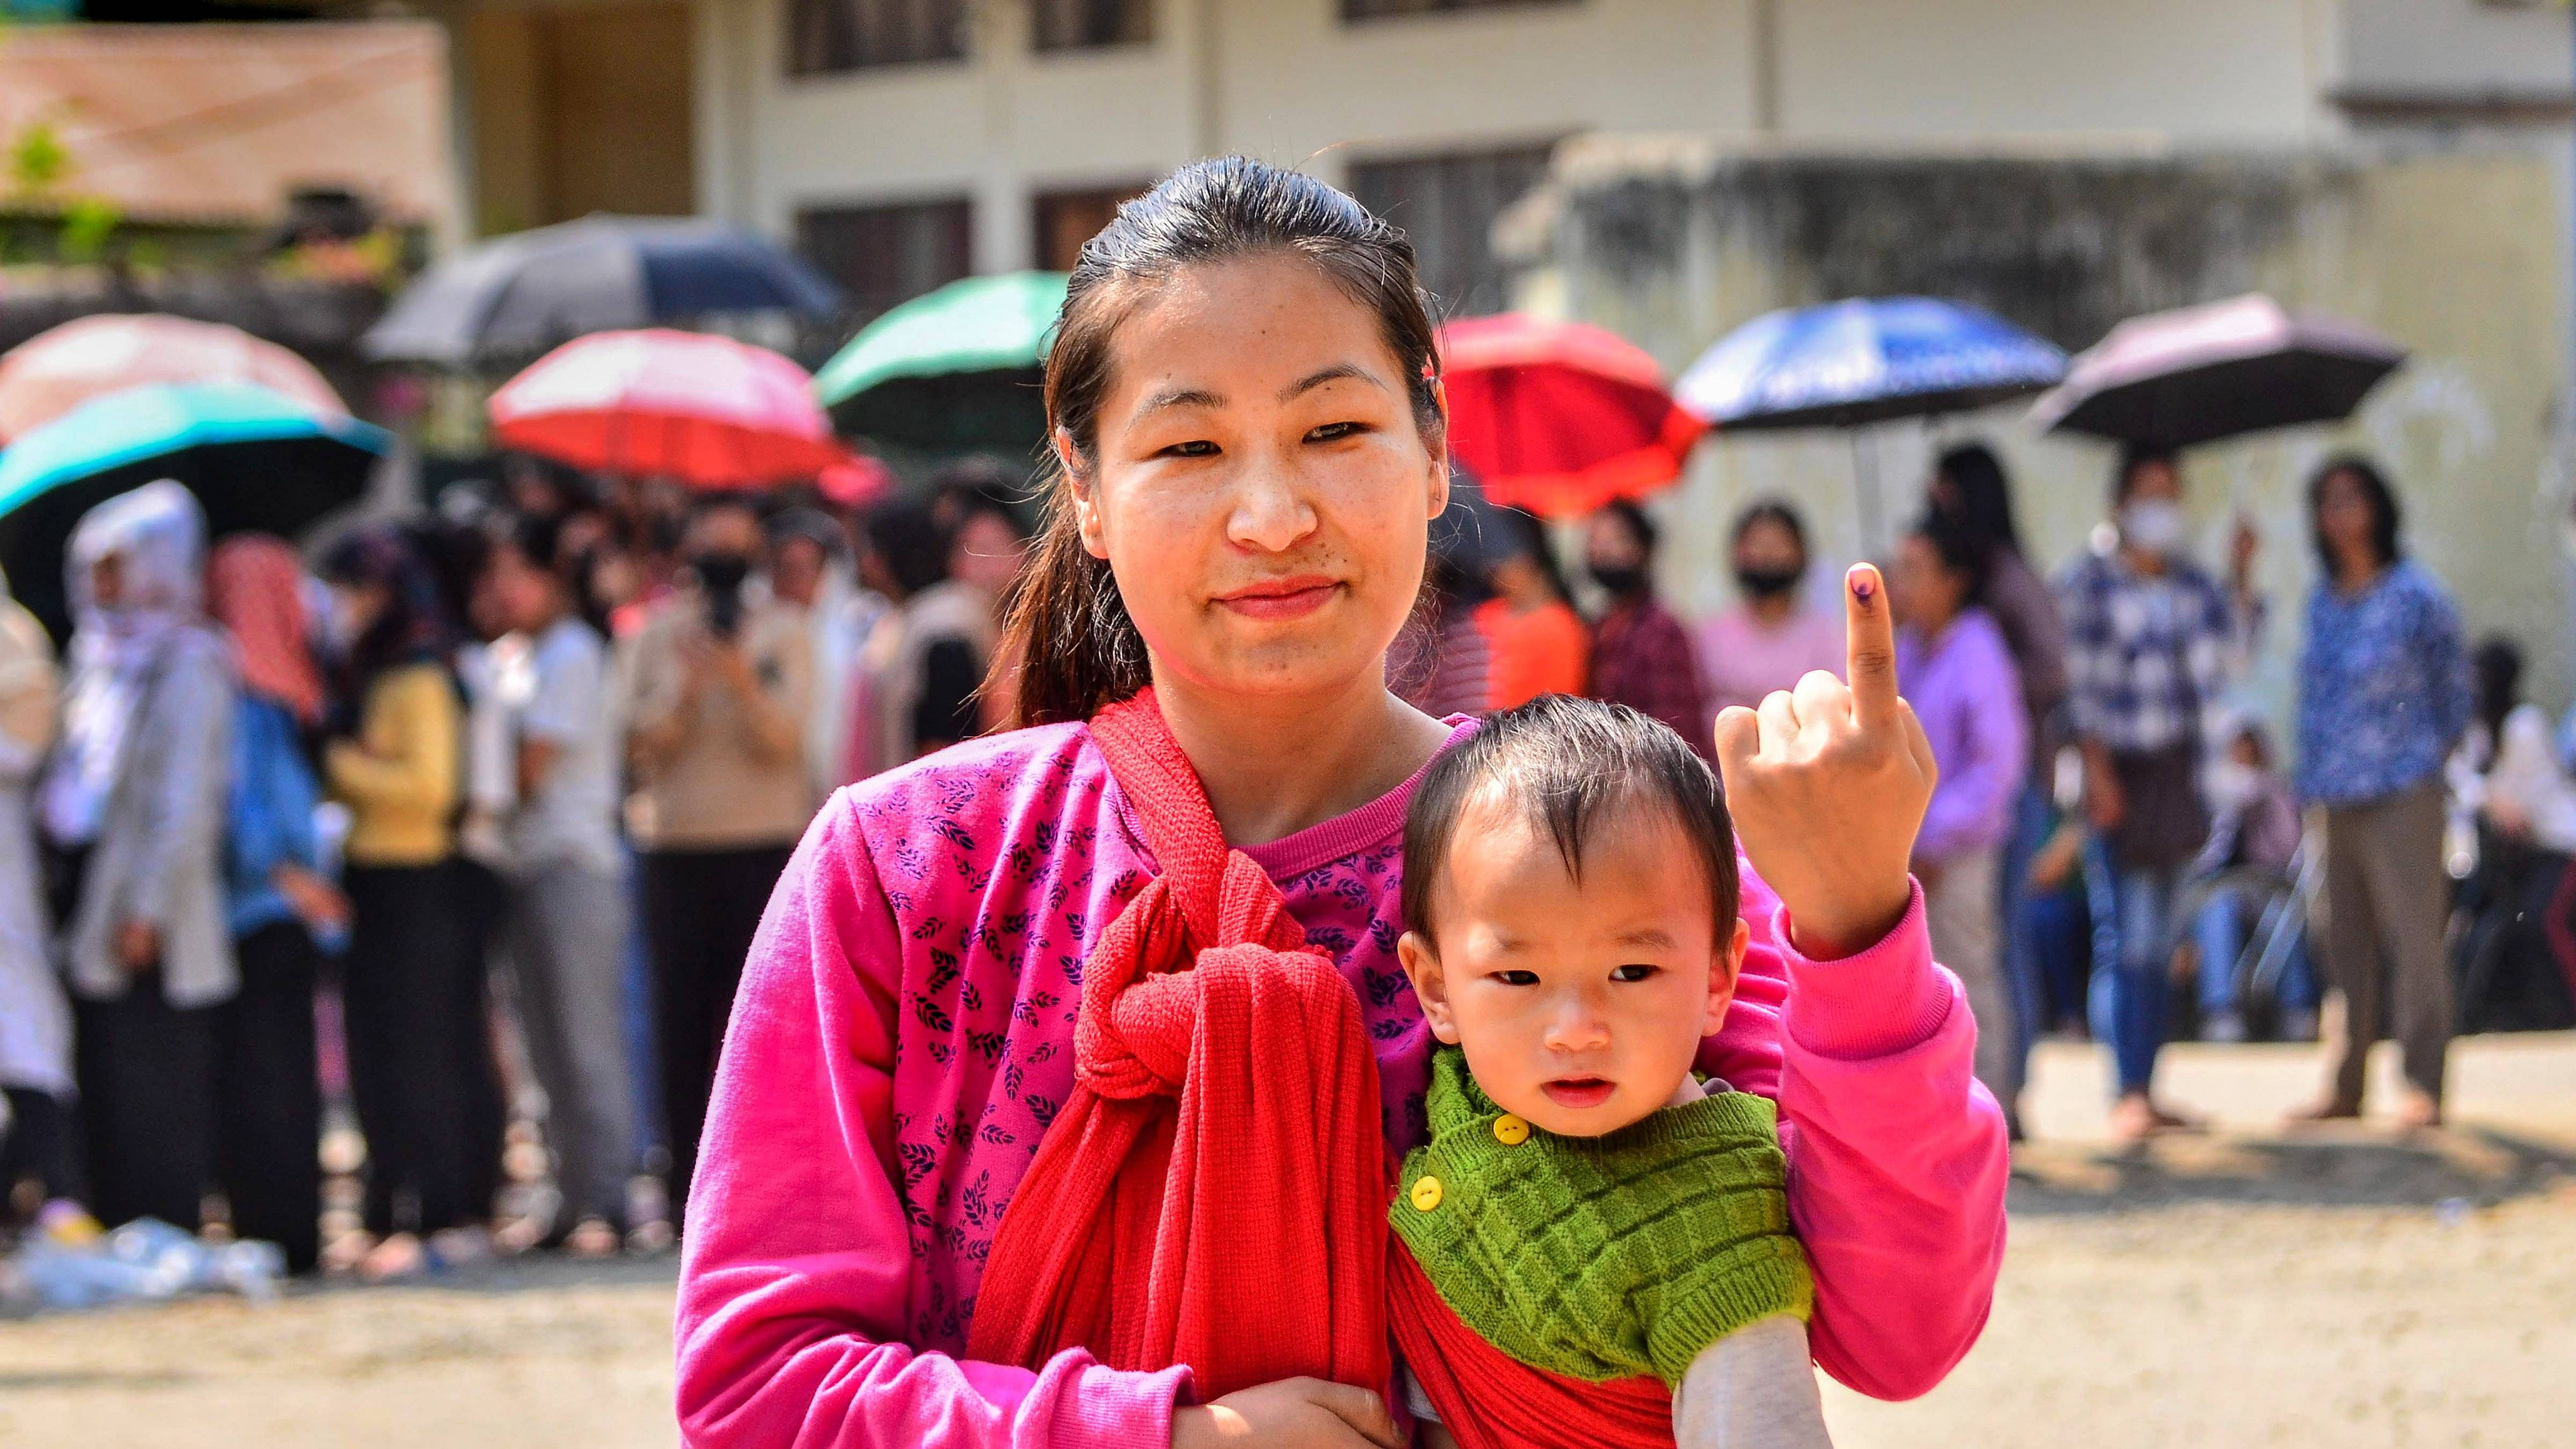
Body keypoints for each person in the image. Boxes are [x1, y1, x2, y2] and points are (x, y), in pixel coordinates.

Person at [675, 157, 2004, 1446]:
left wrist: (1851, 928)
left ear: (1432, 455)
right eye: (1189, 444)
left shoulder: (1616, 852)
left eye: (1332, 429)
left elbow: (1897, 1330)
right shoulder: (911, 871)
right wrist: (1156, 1434)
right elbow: (755, 1389)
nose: (1269, 512)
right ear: (1084, 489)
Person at [1389, 696, 1824, 1449]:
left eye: (1631, 970)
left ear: (1720, 977)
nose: (1576, 1031)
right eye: (1518, 978)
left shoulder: (1716, 1235)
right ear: (1435, 989)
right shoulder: (1461, 1080)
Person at [42, 482, 236, 1235]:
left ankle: (166, 1219)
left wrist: (148, 906)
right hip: (83, 888)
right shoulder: (91, 660)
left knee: (156, 1067)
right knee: (103, 1067)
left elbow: (182, 803)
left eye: (117, 566)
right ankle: (116, 1219)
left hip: (148, 901)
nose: (104, 584)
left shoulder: (191, 661)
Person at [2058, 445, 2262, 1140]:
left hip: (2186, 780)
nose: (2161, 506)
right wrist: (2100, 777)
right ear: (2119, 503)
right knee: (2127, 939)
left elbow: (2236, 657)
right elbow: (2076, 691)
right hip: (2121, 777)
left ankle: (2149, 1085)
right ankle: (2127, 1091)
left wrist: (2242, 572)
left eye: (2170, 492)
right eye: (2149, 491)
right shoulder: (2087, 583)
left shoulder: (2198, 586)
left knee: (2166, 937)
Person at [623, 495, 812, 1219]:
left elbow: (788, 742)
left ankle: (761, 1192)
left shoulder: (786, 632)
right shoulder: (656, 634)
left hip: (761, 844)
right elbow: (636, 744)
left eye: (735, 539)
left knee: (763, 1026)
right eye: (710, 538)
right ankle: (681, 1190)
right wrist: (686, 690)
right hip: (674, 844)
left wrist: (738, 679)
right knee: (678, 1021)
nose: (722, 552)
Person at [320, 525, 499, 1278]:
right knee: (379, 1053)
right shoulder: (371, 673)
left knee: (428, 1052)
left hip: (421, 879)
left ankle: (443, 1210)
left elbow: (428, 792)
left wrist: (338, 763)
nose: (342, 609)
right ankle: (390, 1204)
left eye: (353, 592)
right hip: (372, 879)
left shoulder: (421, 676)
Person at [2291, 456, 2470, 1128]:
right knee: (2342, 942)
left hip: (2403, 791)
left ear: (2379, 507)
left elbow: (2456, 691)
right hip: (2331, 795)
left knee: (2416, 940)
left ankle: (2423, 1081)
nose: (2339, 514)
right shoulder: (2320, 599)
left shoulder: (2416, 596)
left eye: (2351, 499)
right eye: (2326, 501)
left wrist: (2425, 765)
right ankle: (2346, 1084)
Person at [484, 514, 639, 1256]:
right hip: (521, 864)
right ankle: (560, 1193)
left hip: (575, 865)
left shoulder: (573, 652)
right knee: (537, 1047)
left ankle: (608, 1197)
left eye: (520, 572)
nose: (504, 589)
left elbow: (527, 768)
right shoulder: (512, 655)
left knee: (585, 1040)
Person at [206, 536, 345, 1274]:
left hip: (284, 912)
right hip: (267, 908)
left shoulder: (279, 680)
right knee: (273, 1083)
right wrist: (300, 882)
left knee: (287, 1081)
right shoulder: (244, 688)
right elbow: (245, 812)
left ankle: (291, 1231)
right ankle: (283, 1233)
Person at [1928, 443, 2069, 1101]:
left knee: (1997, 941)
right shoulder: (1947, 615)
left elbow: (2055, 670)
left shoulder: (2005, 580)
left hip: (2010, 789)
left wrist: (1992, 679)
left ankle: (2007, 1092)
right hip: (1970, 797)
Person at [1891, 515, 2027, 1124]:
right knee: (1920, 985)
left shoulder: (1978, 648)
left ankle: (1993, 1109)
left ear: (1954, 580)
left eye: (1915, 570)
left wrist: (1933, 837)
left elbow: (1996, 768)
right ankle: (1940, 1112)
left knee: (1970, 974)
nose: (1901, 582)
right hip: (1912, 848)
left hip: (1964, 849)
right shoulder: (1909, 649)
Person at [0, 565, 71, 1219]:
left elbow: (23, 749)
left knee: (22, 1026)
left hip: (5, 869)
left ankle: (54, 1191)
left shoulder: (13, 636)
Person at [2181, 718, 2312, 1043]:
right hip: (2217, 891)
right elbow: (2203, 863)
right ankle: (2221, 1010)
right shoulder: (2206, 792)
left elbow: (2289, 854)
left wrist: (2264, 805)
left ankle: (2297, 1009)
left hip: (2268, 887)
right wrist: (2228, 815)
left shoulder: (2277, 793)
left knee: (2287, 911)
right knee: (2219, 912)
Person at [768, 507, 885, 800]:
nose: (796, 579)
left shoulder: (860, 623)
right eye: (786, 568)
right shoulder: (756, 630)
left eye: (806, 568)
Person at [1584, 499, 1713, 759]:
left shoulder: (1661, 629)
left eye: (1617, 540)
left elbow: (1677, 726)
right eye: (1596, 541)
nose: (1605, 551)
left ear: (1643, 549)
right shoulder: (1596, 627)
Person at [1696, 499, 1843, 716]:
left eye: (1779, 544)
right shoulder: (1710, 637)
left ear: (1801, 553)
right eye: (1757, 544)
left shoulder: (1827, 637)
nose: (1767, 556)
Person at [1477, 507, 1589, 709]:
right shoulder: (1485, 615)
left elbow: (1558, 699)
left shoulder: (1557, 625)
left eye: (1501, 558)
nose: (1492, 569)